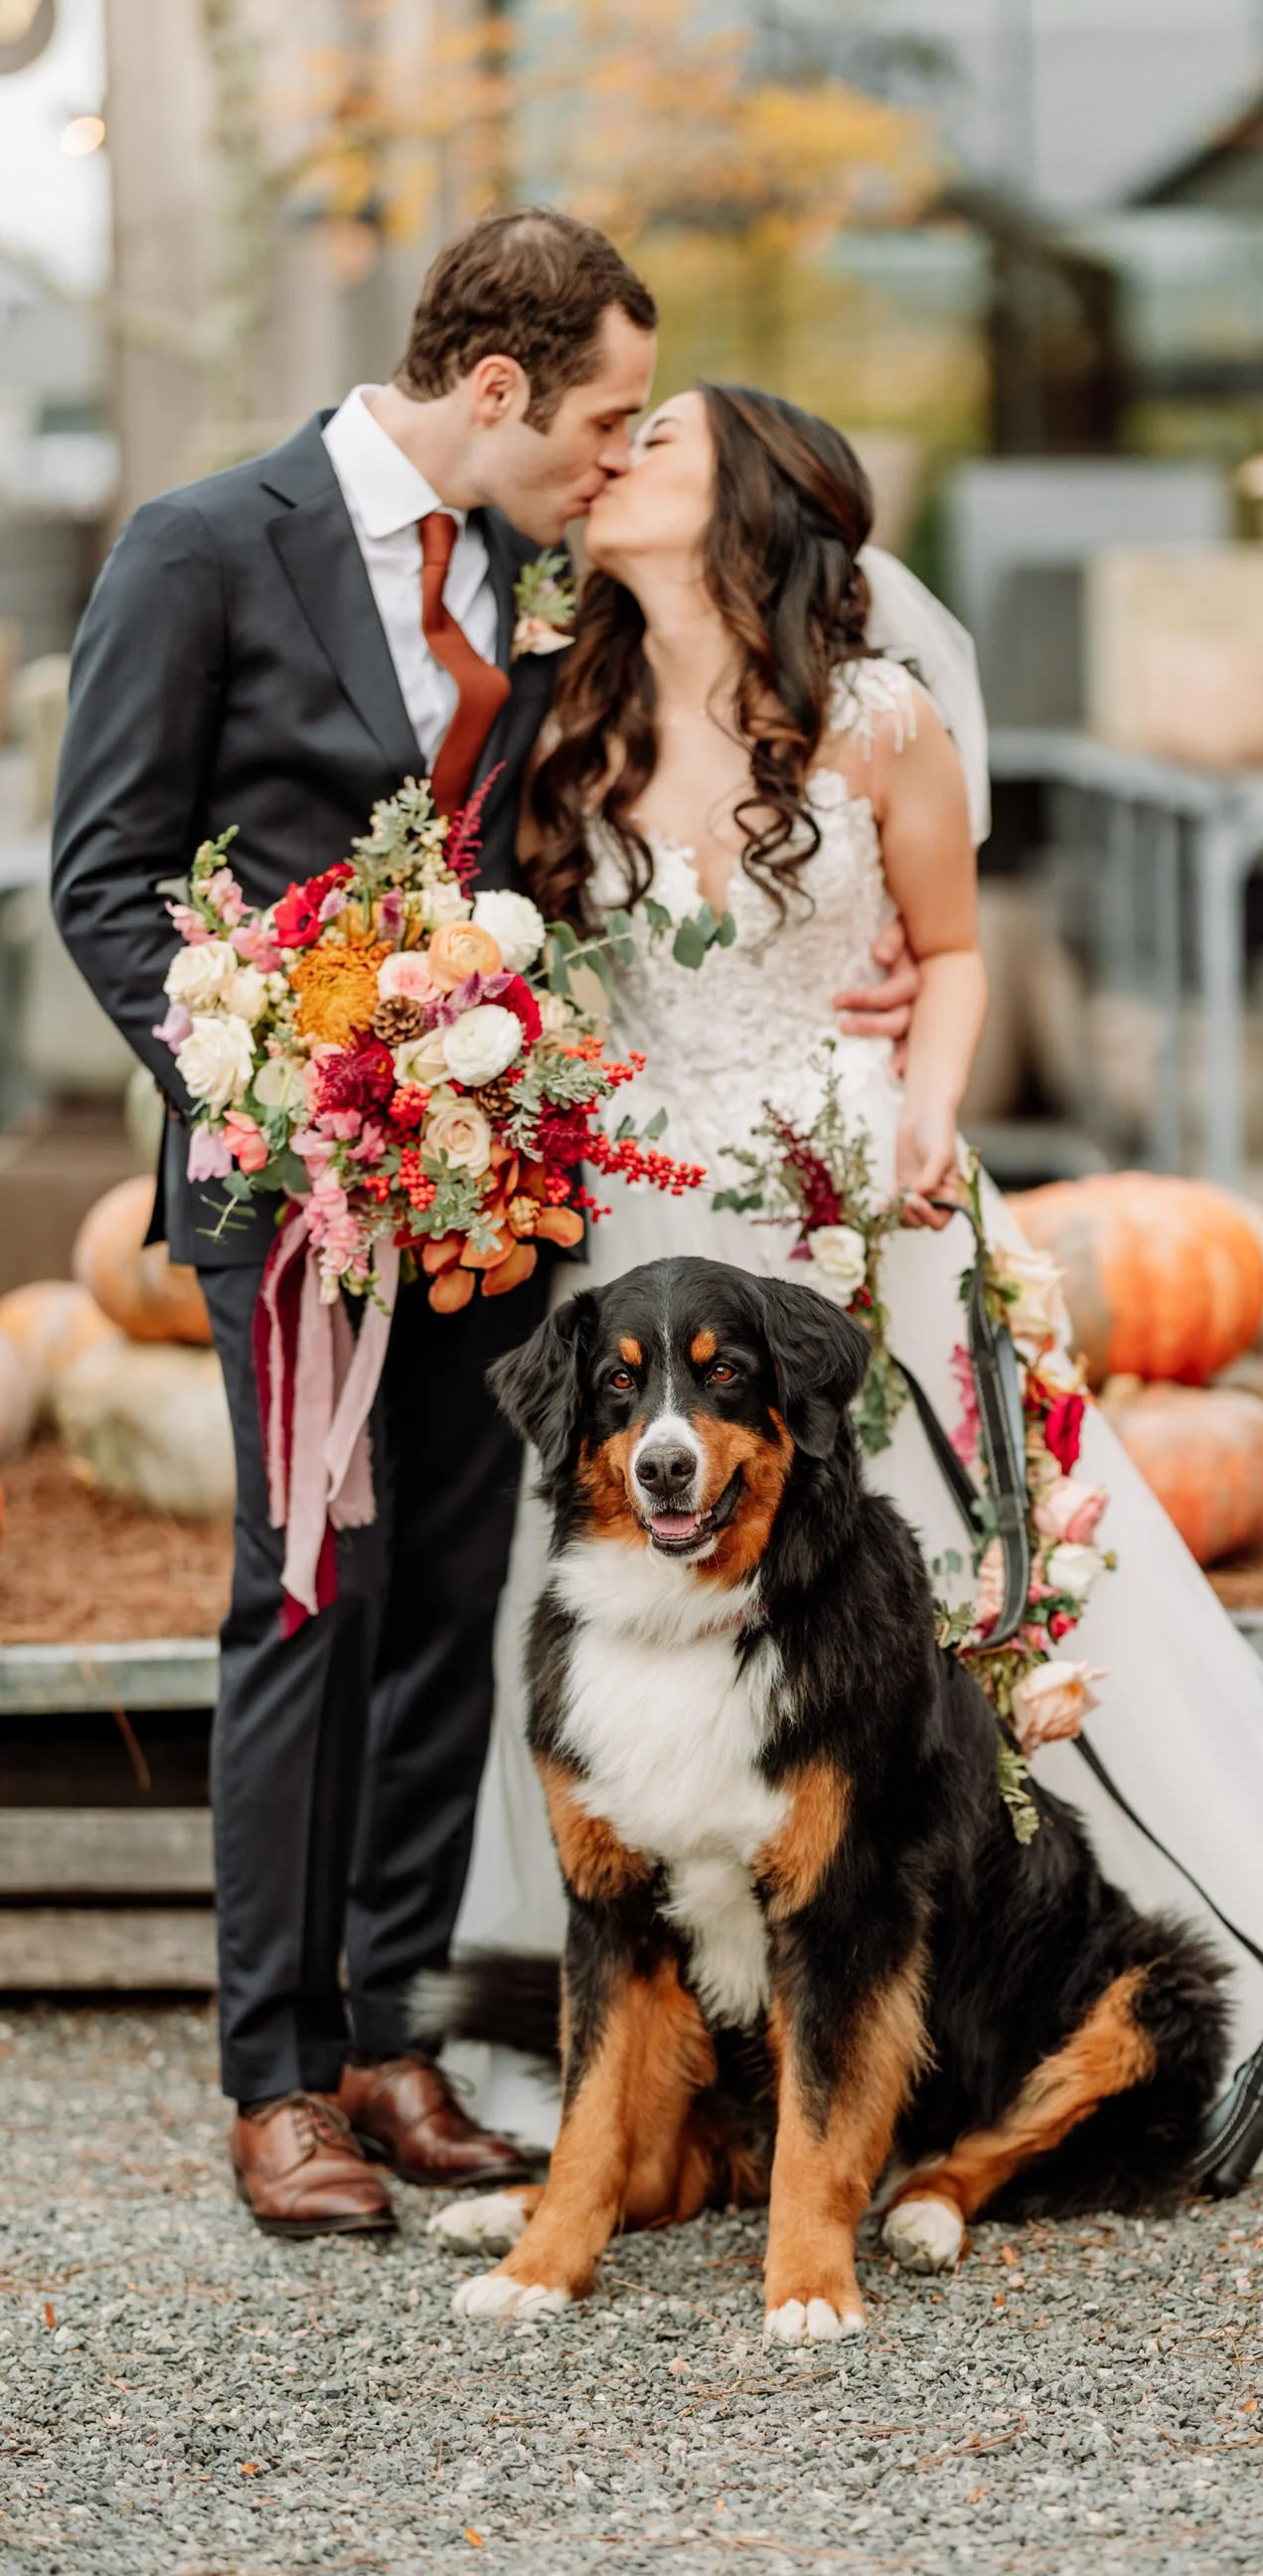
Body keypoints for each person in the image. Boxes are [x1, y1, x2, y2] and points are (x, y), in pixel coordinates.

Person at [453, 383, 1263, 2185]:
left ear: (750, 507)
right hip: (642, 1234)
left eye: (660, 442)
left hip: (865, 1208)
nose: (615, 457)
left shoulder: (872, 720)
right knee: (638, 1646)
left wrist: (930, 1107)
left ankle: (1004, 1993)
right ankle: (676, 2081)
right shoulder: (569, 710)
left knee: (962, 1610)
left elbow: (947, 955)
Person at [49, 213, 920, 2238]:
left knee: (451, 1604)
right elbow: (107, 882)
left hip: (496, 1194)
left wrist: (862, 957)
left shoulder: (528, 587)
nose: (611, 463)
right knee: (305, 1600)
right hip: (296, 1194)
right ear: (500, 387)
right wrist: (277, 1094)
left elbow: (607, 840)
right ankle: (274, 2076)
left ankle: (390, 2047)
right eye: (601, 418)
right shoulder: (202, 547)